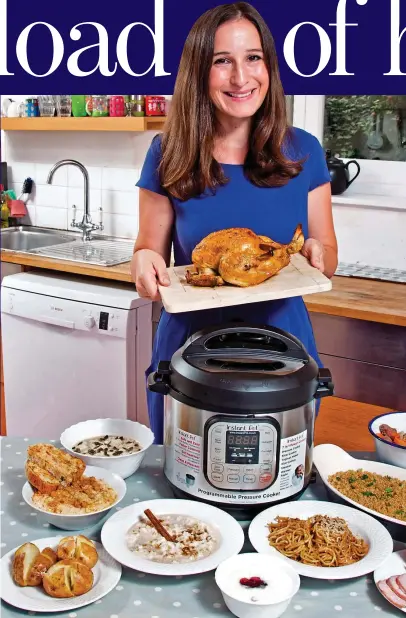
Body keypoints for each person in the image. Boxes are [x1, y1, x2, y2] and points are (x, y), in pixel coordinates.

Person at [131, 2, 338, 444]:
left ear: (269, 67)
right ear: (199, 73)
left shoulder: (304, 151)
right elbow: (148, 249)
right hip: (190, 351)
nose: (241, 78)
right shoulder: (168, 152)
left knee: (276, 484)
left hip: (283, 349)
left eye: (253, 58)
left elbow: (325, 253)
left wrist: (319, 255)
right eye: (222, 61)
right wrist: (144, 261)